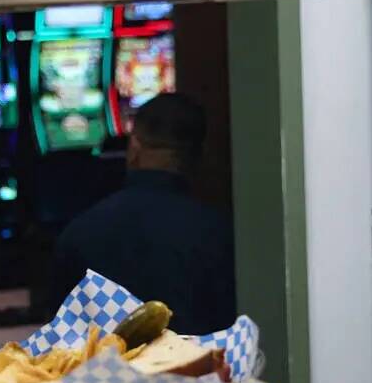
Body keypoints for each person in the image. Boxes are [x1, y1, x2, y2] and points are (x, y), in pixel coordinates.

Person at [49, 93, 236, 335]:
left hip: (108, 371)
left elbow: (62, 338)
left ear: (135, 146)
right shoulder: (219, 233)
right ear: (199, 155)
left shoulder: (81, 231)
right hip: (195, 370)